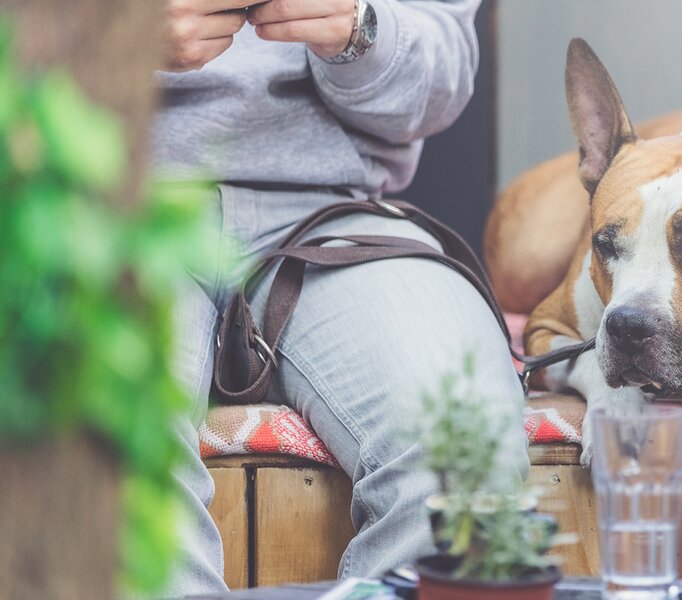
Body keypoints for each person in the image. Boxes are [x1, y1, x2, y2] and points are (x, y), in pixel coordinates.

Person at [154, 0, 528, 595]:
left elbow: (442, 80)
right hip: (99, 199)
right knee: (99, 443)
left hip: (331, 213)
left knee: (466, 441)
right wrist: (106, 39)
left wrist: (362, 29)